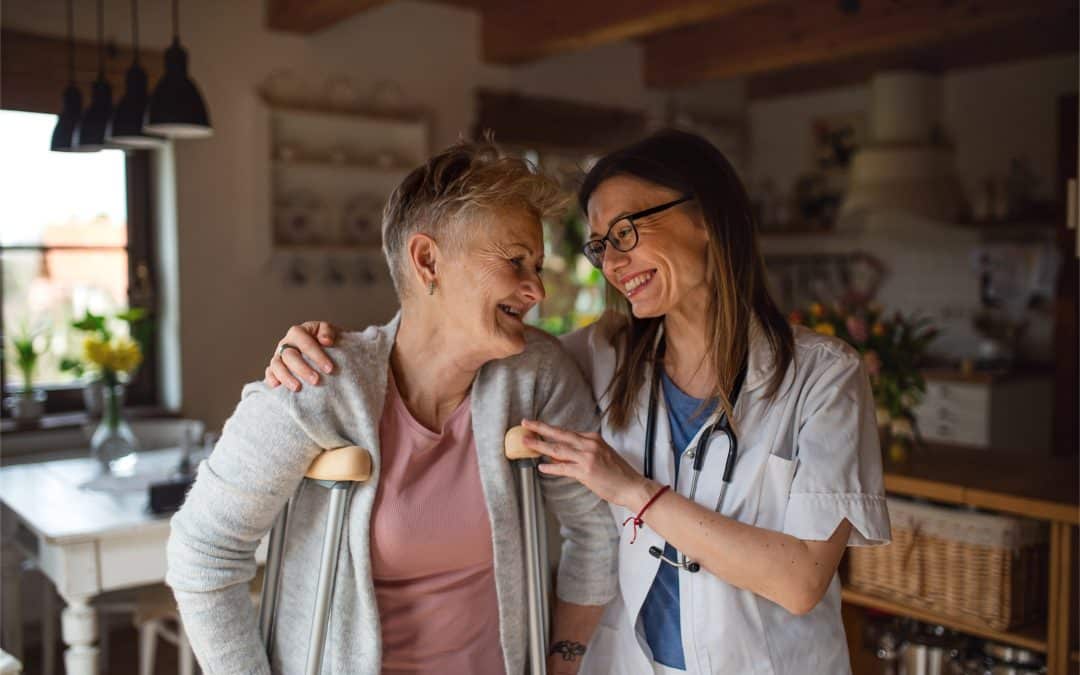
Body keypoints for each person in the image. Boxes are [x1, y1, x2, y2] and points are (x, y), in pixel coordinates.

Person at [264, 129, 891, 675]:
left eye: (624, 231)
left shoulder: (821, 377)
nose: (612, 263)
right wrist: (339, 353)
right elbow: (459, 345)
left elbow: (802, 579)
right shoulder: (599, 356)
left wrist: (632, 492)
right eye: (599, 246)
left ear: (708, 216)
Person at [167, 140, 618, 675]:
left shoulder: (536, 376)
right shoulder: (317, 382)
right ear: (428, 261)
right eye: (516, 260)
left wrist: (562, 663)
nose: (536, 289)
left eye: (538, 265)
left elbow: (595, 529)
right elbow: (203, 552)